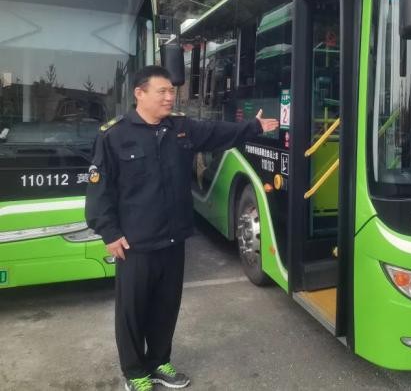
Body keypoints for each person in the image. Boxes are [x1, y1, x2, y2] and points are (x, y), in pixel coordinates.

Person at [85, 65, 279, 391]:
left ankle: (159, 361)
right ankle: (135, 372)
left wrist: (254, 126)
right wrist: (109, 232)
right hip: (135, 243)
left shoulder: (181, 129)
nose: (169, 97)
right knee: (132, 311)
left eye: (171, 91)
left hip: (174, 239)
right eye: (162, 91)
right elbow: (99, 190)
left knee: (166, 306)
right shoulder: (114, 136)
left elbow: (217, 132)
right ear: (140, 93)